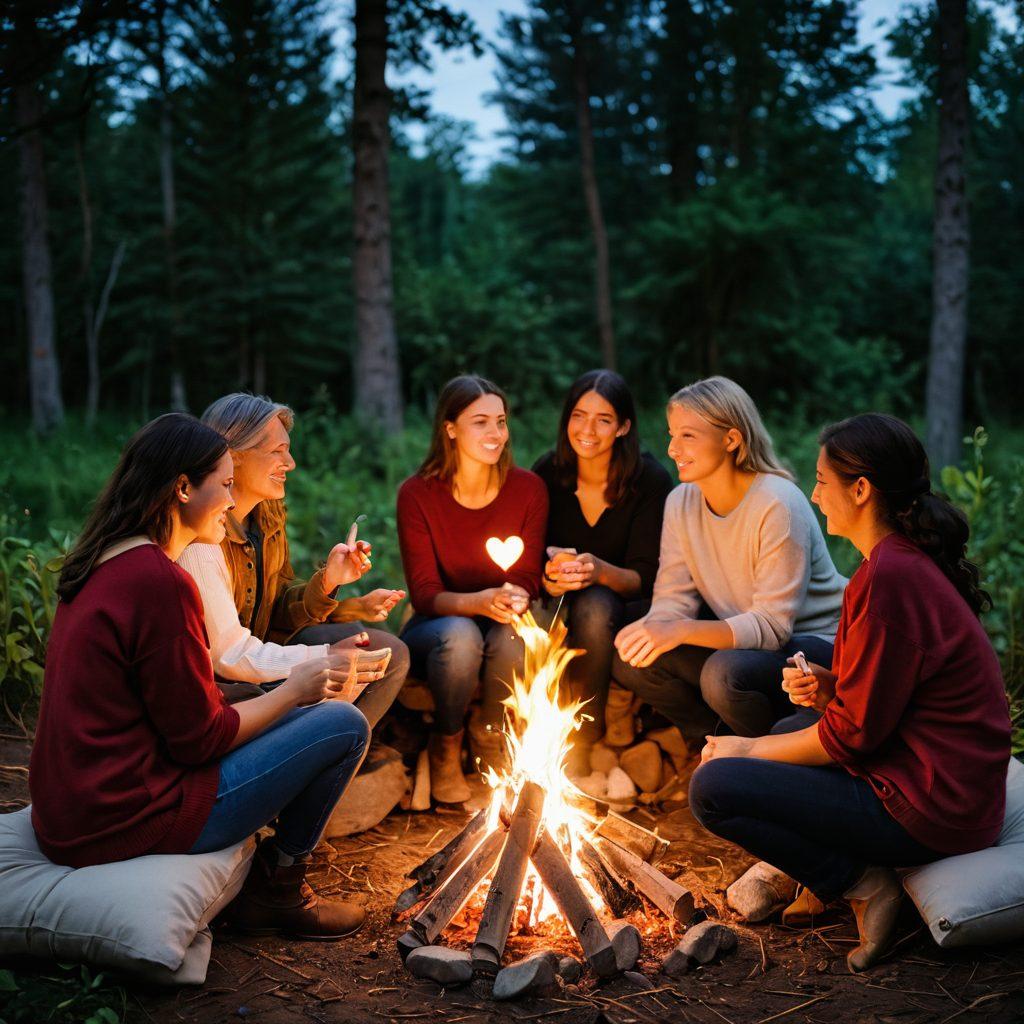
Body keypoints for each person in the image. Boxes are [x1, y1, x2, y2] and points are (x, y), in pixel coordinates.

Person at [29, 413, 381, 939]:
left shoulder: (107, 557)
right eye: (225, 485)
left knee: (289, 705)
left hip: (75, 807)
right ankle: (278, 893)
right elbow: (200, 741)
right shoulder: (162, 583)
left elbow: (168, 709)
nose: (232, 502)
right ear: (183, 488)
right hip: (125, 818)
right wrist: (296, 689)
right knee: (342, 724)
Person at [690, 413, 1012, 971]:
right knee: (790, 727)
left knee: (714, 787)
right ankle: (831, 870)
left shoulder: (889, 578)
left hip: (935, 806)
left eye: (821, 481)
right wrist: (831, 687)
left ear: (861, 489)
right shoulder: (892, 562)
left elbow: (849, 738)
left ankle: (860, 882)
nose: (815, 495)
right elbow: (894, 692)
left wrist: (745, 748)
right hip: (934, 775)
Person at [612, 376, 846, 741]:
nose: (672, 448)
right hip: (749, 638)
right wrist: (654, 627)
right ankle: (711, 742)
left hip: (815, 647)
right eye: (672, 434)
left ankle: (773, 756)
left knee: (722, 673)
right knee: (632, 654)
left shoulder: (777, 503)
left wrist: (679, 630)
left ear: (731, 439)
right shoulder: (681, 502)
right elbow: (674, 599)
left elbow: (773, 628)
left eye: (688, 436)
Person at [176, 393, 408, 732]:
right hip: (229, 684)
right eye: (277, 451)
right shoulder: (201, 539)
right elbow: (230, 655)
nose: (291, 462)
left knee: (382, 649)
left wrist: (328, 582)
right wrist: (326, 655)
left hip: (262, 650)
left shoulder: (266, 517)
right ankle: (322, 747)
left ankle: (344, 747)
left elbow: (275, 611)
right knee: (367, 655)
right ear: (233, 455)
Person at [397, 375, 548, 804]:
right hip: (439, 623)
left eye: (500, 421)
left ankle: (489, 735)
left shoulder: (528, 489)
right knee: (461, 636)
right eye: (480, 422)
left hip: (501, 617)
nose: (495, 433)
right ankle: (446, 743)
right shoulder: (418, 494)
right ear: (450, 428)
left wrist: (517, 595)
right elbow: (425, 593)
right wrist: (478, 603)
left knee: (517, 631)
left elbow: (528, 575)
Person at [532, 370, 672, 759]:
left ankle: (584, 735)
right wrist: (549, 576)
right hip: (560, 600)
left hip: (627, 606)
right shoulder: (547, 473)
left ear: (623, 427)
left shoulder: (650, 481)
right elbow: (532, 553)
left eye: (603, 419)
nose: (587, 430)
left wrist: (598, 570)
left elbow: (647, 578)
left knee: (595, 605)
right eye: (578, 415)